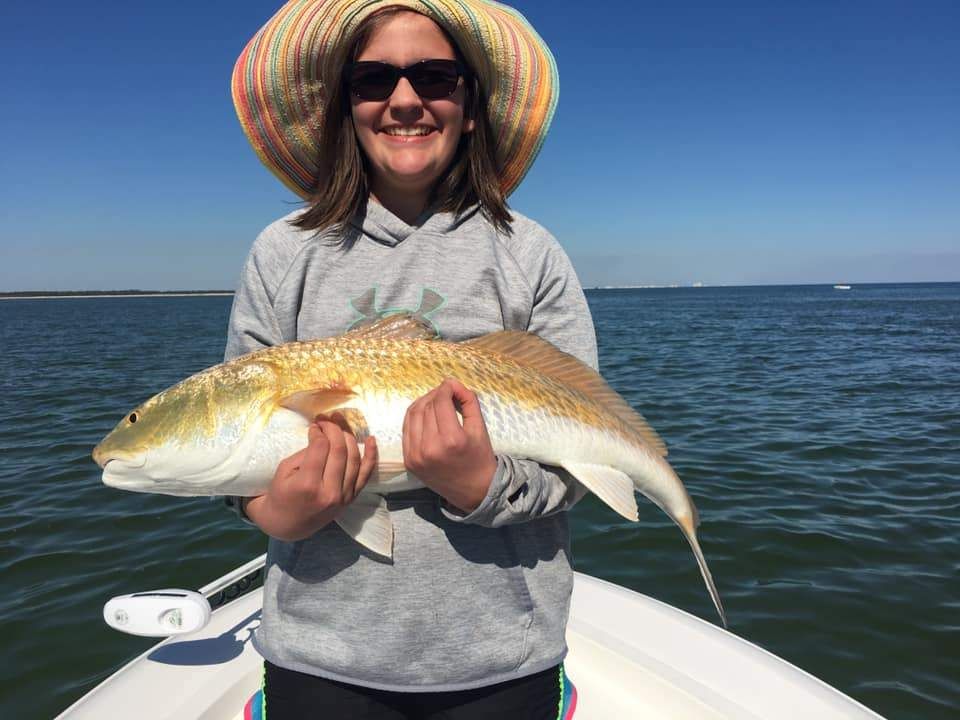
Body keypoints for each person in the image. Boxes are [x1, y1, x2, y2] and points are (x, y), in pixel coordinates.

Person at [225, 1, 595, 717]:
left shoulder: (530, 252)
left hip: (502, 649)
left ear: (471, 106)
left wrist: (480, 483)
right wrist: (280, 511)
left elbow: (578, 457)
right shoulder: (282, 253)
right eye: (373, 80)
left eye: (434, 76)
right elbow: (237, 451)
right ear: (345, 106)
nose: (404, 100)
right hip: (320, 649)